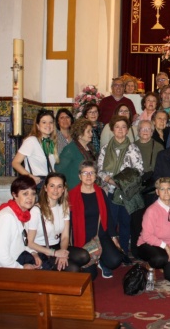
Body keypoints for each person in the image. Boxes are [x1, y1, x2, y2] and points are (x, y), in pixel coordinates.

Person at [69, 161, 127, 280]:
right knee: (91, 276)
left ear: (96, 176)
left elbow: (108, 216)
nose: (89, 176)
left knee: (115, 261)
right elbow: (68, 223)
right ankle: (96, 261)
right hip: (82, 238)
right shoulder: (72, 195)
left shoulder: (100, 192)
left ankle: (101, 259)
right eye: (85, 173)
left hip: (100, 235)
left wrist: (114, 237)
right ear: (80, 176)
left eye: (92, 173)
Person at [97, 115, 143, 256]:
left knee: (125, 223)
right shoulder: (105, 149)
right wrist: (110, 180)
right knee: (110, 224)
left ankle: (123, 251)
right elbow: (99, 169)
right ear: (112, 129)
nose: (120, 130)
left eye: (124, 127)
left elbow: (139, 170)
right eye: (117, 127)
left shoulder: (133, 148)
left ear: (128, 129)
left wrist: (122, 182)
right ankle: (111, 252)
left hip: (126, 193)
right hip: (109, 191)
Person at [26, 173, 90, 272]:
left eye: (59, 186)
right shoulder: (36, 210)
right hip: (41, 249)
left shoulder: (64, 207)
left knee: (84, 256)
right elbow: (30, 243)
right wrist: (55, 253)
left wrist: (63, 253)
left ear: (63, 189)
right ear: (46, 188)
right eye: (52, 186)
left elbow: (65, 237)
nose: (56, 190)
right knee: (74, 269)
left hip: (57, 245)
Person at [137, 177, 170, 282]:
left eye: (169, 188)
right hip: (149, 245)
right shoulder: (152, 210)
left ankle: (164, 263)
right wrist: (165, 246)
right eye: (162, 189)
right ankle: (150, 264)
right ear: (157, 192)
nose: (166, 192)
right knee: (159, 259)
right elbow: (146, 236)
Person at [12, 109, 58, 188]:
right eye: (44, 122)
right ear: (38, 126)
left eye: (51, 122)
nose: (48, 125)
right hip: (37, 183)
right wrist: (30, 176)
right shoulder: (31, 141)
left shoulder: (49, 142)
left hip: (48, 183)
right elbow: (15, 163)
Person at [55, 118, 95, 190]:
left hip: (88, 187)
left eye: (91, 131)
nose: (91, 134)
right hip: (74, 189)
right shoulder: (70, 149)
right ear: (80, 134)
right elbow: (58, 169)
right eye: (88, 132)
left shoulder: (90, 147)